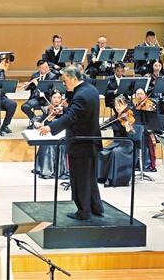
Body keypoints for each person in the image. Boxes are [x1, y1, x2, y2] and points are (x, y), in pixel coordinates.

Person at [40, 66, 104, 220]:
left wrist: (50, 127)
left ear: (74, 78)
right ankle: (96, 207)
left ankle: (83, 211)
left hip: (81, 143)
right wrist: (64, 110)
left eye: (65, 81)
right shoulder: (91, 89)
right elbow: (79, 111)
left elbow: (72, 117)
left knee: (79, 179)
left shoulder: (81, 95)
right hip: (91, 142)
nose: (64, 84)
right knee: (90, 178)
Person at [97, 95, 137, 187]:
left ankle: (113, 179)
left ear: (125, 105)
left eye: (120, 105)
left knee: (115, 152)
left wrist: (128, 126)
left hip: (127, 144)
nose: (117, 107)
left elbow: (132, 134)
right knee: (101, 151)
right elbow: (103, 125)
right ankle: (102, 177)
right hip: (116, 143)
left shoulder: (130, 116)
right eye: (116, 105)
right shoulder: (114, 118)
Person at [33, 90, 69, 179]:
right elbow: (41, 122)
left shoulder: (65, 110)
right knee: (46, 143)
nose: (57, 100)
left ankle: (55, 170)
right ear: (50, 98)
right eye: (54, 97)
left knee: (54, 145)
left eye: (59, 97)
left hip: (61, 137)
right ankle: (45, 169)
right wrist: (37, 124)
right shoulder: (47, 109)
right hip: (49, 136)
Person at [20, 60, 59, 129]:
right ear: (39, 68)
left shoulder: (52, 76)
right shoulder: (35, 75)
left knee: (48, 109)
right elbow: (30, 87)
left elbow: (49, 91)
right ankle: (36, 121)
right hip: (36, 98)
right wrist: (26, 85)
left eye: (47, 67)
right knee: (24, 107)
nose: (46, 69)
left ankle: (38, 123)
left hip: (46, 98)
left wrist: (37, 84)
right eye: (43, 68)